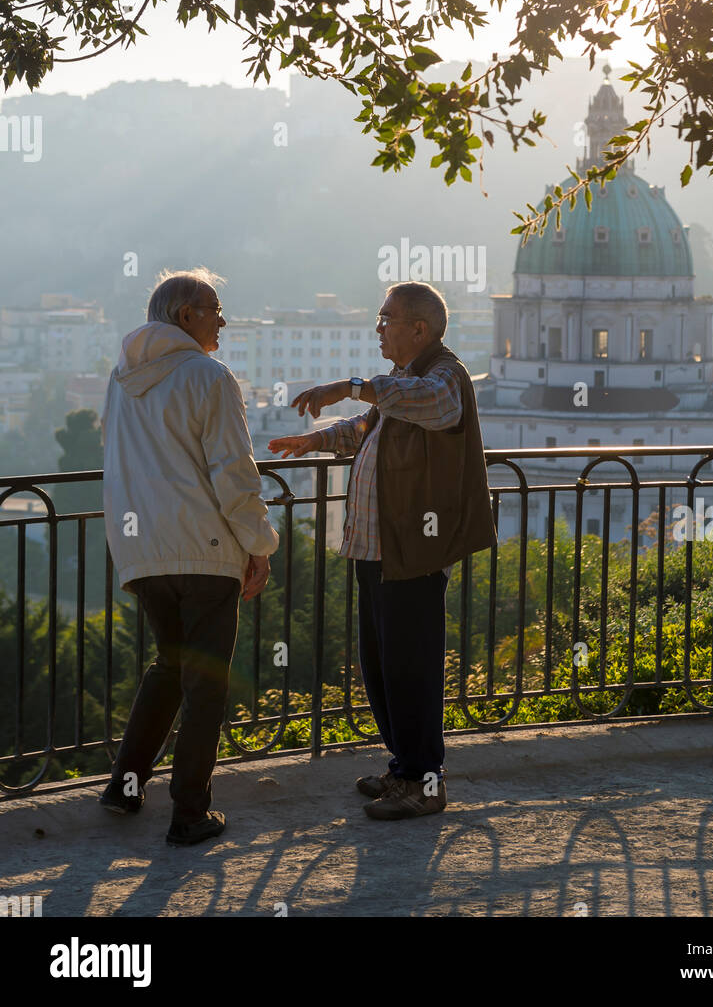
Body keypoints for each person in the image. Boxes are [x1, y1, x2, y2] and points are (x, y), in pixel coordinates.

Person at [268, 280, 497, 820]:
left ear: (419, 329)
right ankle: (403, 770)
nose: (378, 328)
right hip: (376, 550)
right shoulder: (402, 380)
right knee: (383, 665)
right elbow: (368, 428)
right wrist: (315, 439)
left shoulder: (445, 378)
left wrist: (348, 384)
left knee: (412, 669)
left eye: (387, 318)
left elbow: (427, 406)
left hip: (411, 551)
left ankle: (426, 783)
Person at [100, 268, 278, 846]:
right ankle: (189, 813)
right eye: (214, 309)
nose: (222, 319)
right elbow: (233, 471)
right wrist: (259, 543)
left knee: (171, 668)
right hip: (203, 550)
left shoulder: (121, 378)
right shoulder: (210, 376)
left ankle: (125, 788)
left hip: (142, 549)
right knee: (206, 684)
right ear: (185, 317)